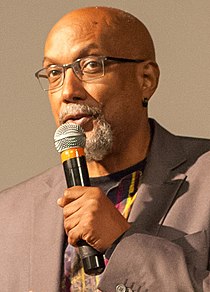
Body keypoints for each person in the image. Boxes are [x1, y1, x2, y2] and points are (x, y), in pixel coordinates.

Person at [0, 6, 209, 292]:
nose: (67, 91)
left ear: (145, 79)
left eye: (90, 65)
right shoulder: (9, 213)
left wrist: (124, 243)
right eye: (53, 73)